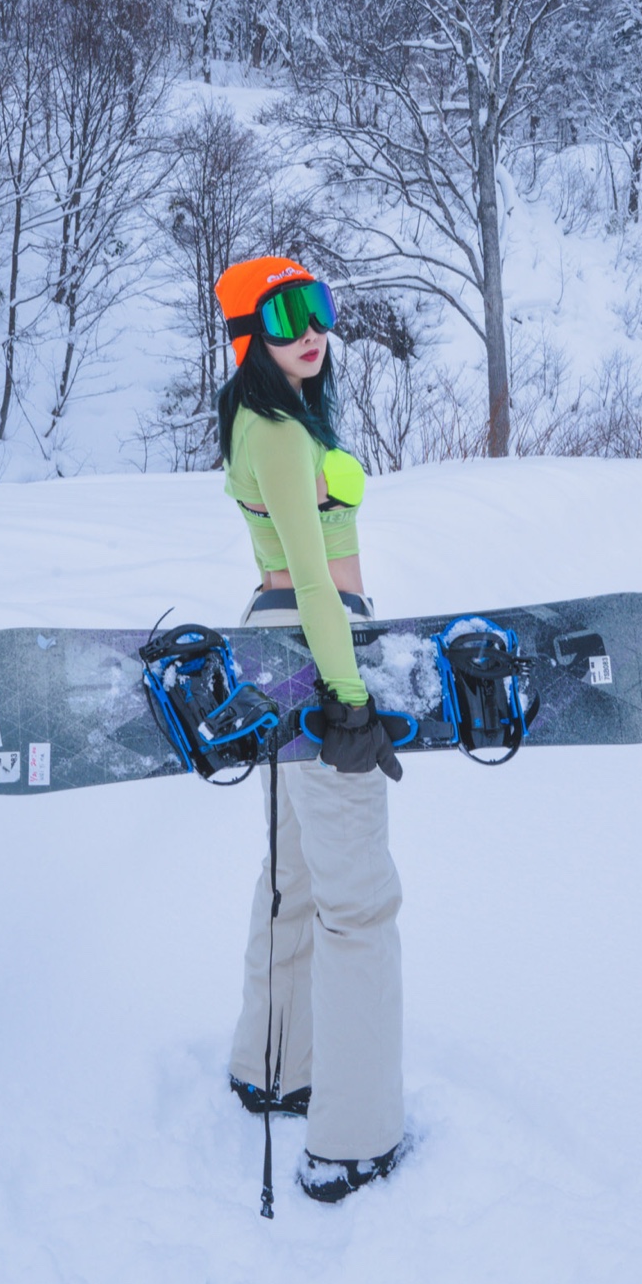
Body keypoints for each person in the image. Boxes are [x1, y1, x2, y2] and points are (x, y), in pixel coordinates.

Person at [215, 255, 408, 1205]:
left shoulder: (261, 420)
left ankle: (275, 1066)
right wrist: (351, 697)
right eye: (287, 313)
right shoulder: (283, 436)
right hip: (313, 647)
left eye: (321, 308)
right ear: (248, 331)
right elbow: (318, 579)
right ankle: (352, 1137)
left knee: (292, 870)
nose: (312, 330)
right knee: (358, 902)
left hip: (273, 646)